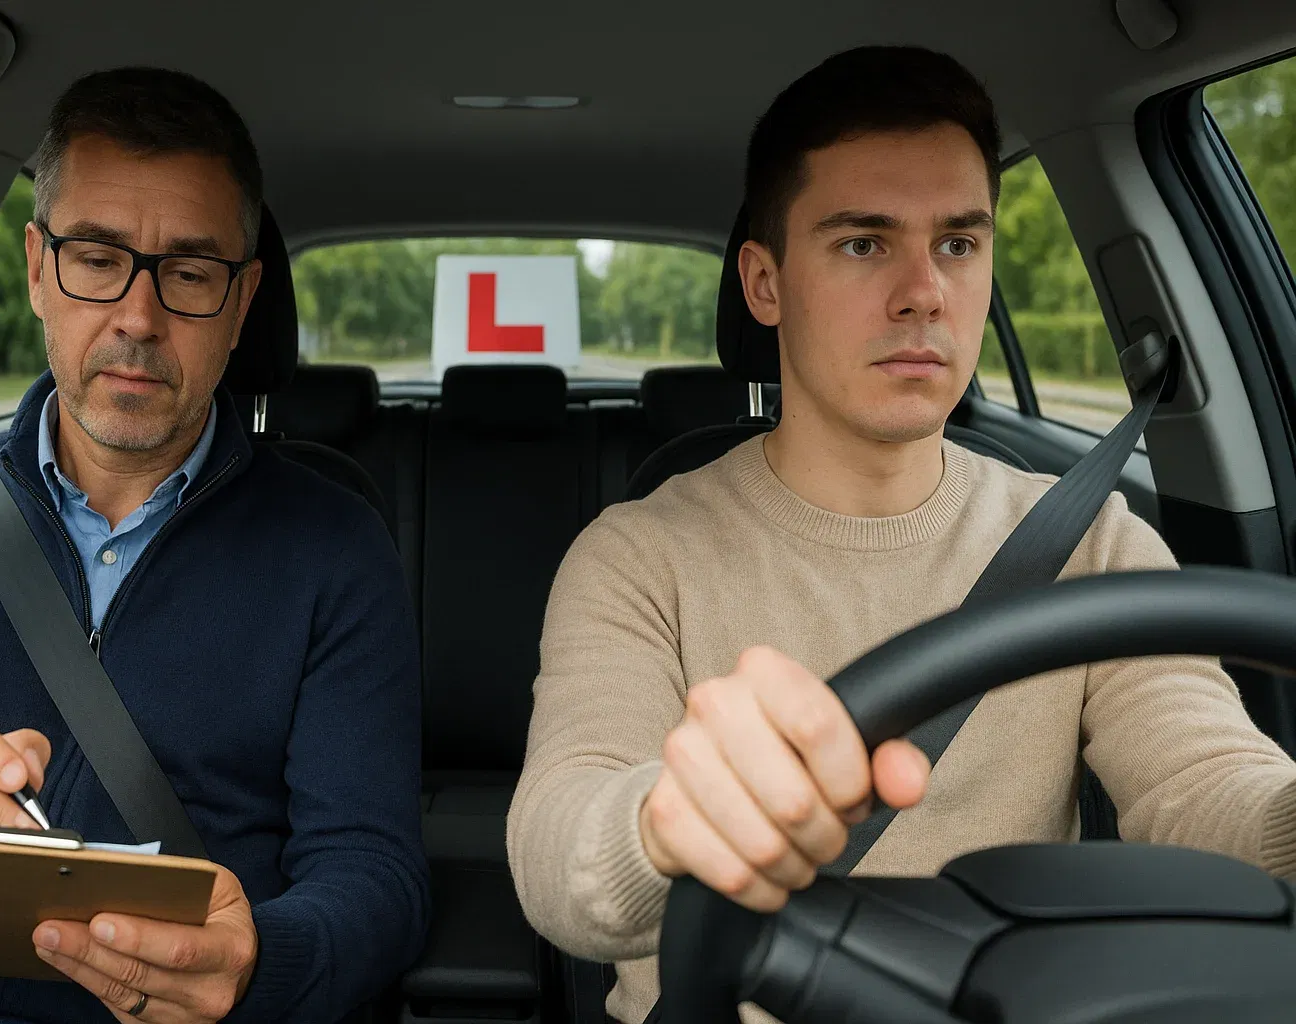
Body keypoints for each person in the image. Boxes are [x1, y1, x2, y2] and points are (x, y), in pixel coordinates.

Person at [506, 45, 1296, 1024]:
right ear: (765, 281)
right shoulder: (636, 553)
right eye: (863, 243)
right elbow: (560, 843)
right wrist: (671, 817)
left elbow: (1205, 780)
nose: (926, 289)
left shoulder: (1093, 539)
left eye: (960, 243)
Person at [0, 67, 427, 1024]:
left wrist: (256, 963)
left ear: (243, 304)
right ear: (37, 269)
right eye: (98, 258)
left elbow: (375, 875)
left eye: (191, 274)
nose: (138, 319)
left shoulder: (335, 549)